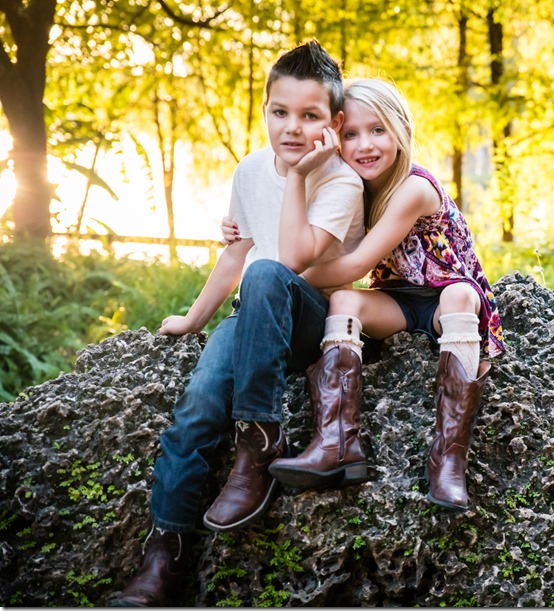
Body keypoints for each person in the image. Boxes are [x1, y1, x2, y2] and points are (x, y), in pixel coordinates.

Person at [111, 41, 365, 607]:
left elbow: (295, 260)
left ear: (335, 122)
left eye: (310, 116)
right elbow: (237, 253)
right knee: (197, 405)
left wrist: (301, 175)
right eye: (280, 112)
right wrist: (193, 318)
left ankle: (258, 443)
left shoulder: (340, 182)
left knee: (271, 275)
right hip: (250, 316)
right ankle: (164, 552)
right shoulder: (250, 169)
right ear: (265, 110)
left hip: (308, 320)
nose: (292, 129)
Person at [224, 78, 504, 511]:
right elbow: (316, 239)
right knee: (345, 301)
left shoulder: (413, 188)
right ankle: (336, 442)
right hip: (396, 299)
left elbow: (354, 265)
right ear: (334, 136)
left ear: (402, 131)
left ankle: (448, 460)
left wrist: (278, 275)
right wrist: (243, 232)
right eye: (350, 134)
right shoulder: (350, 184)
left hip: (445, 296)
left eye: (378, 130)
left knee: (460, 298)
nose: (364, 145)